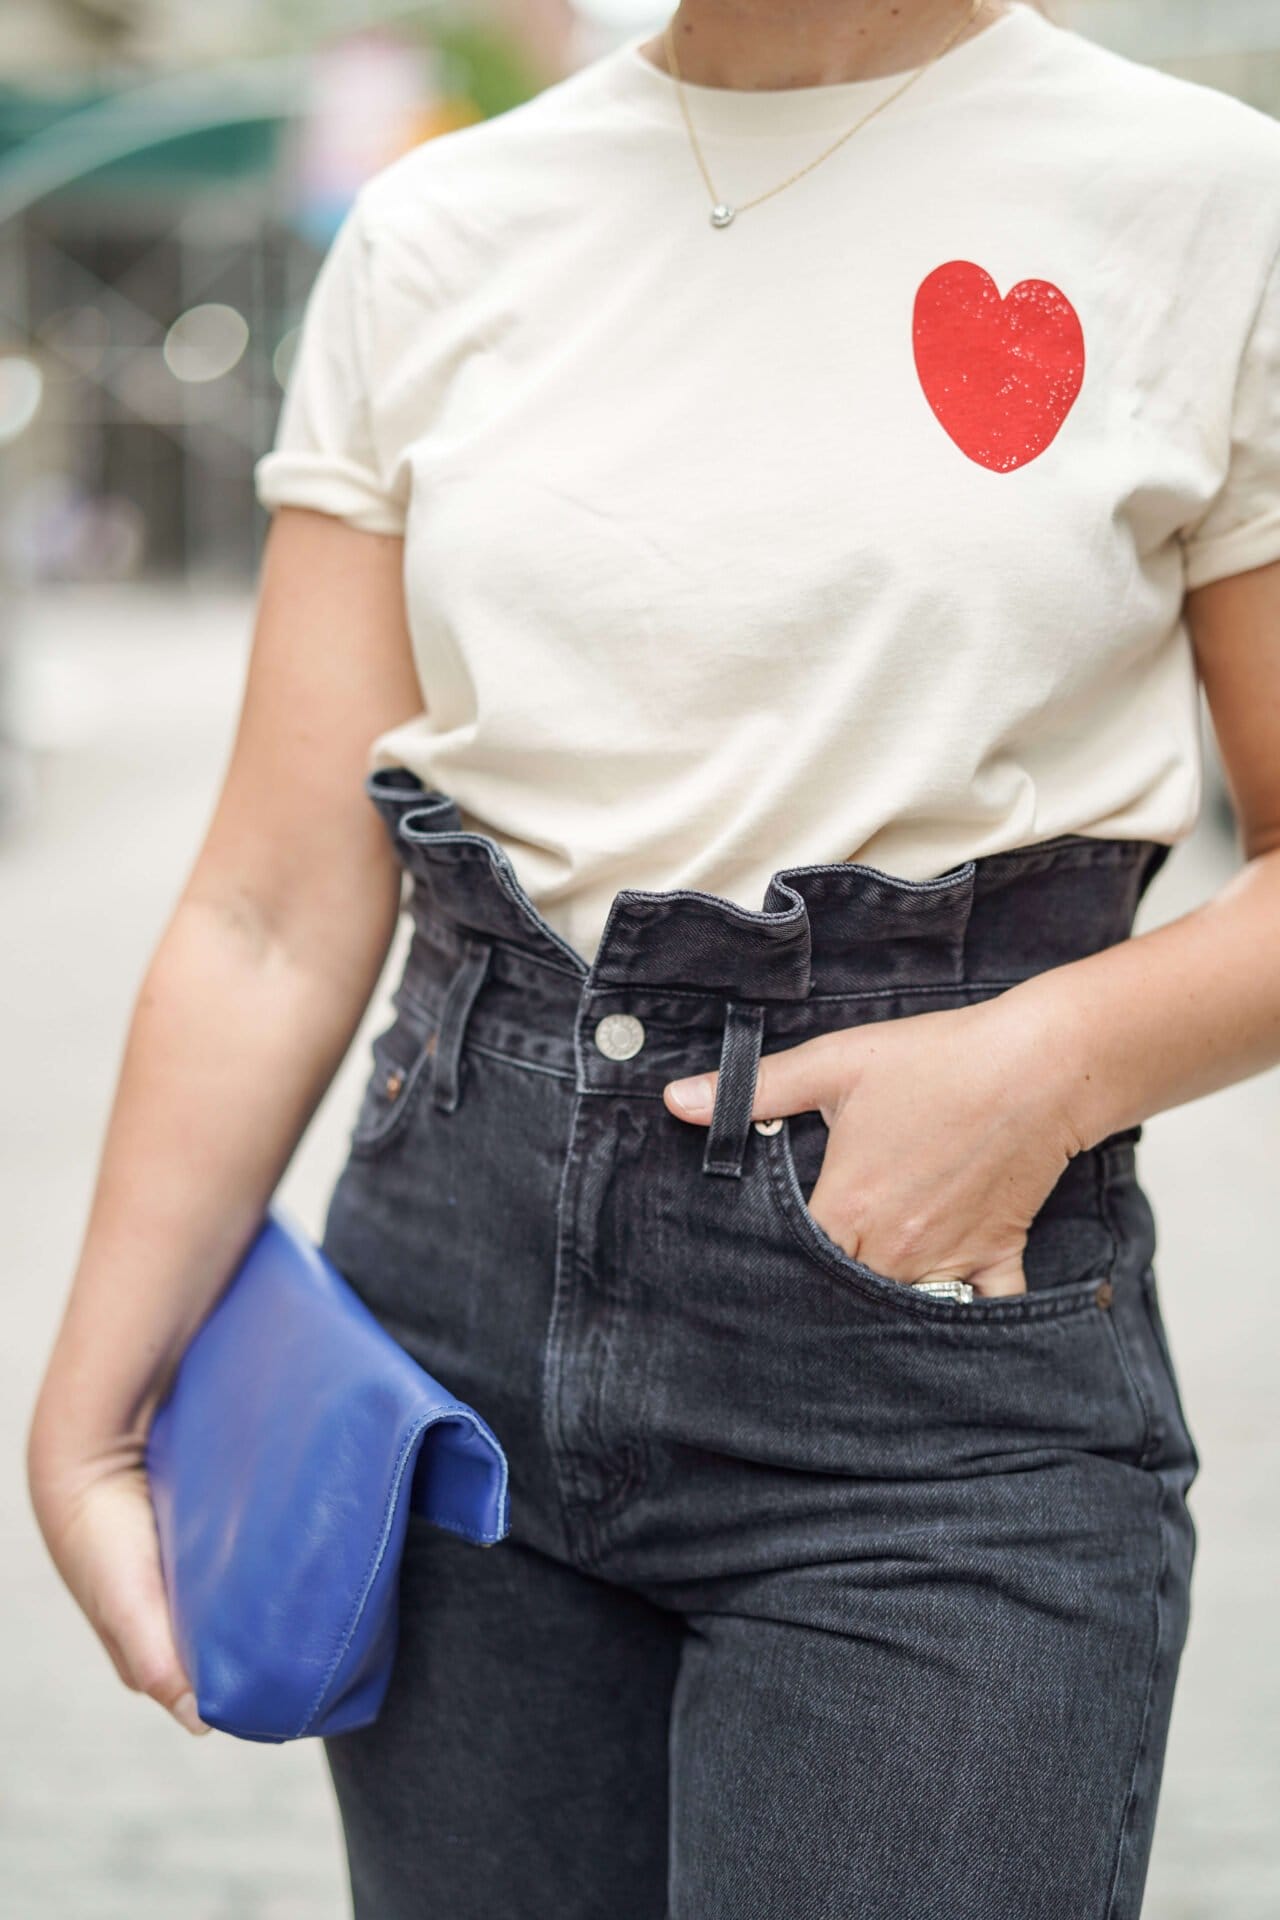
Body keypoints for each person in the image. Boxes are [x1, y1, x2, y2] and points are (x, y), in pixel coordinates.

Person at [25, 2, 1280, 1914]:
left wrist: (1043, 1068)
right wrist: (88, 1413)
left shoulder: (1211, 202)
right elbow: (275, 902)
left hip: (929, 1371)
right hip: (450, 1346)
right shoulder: (440, 228)